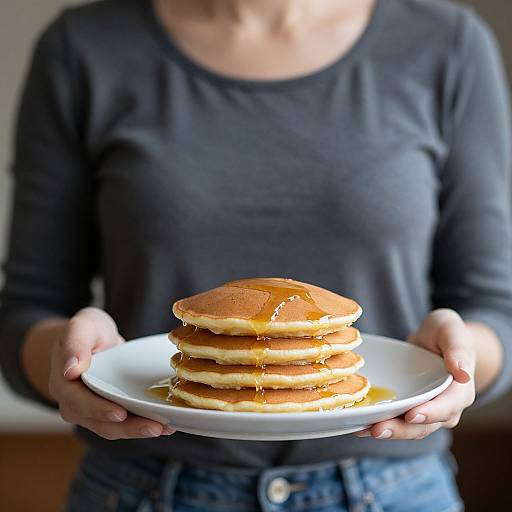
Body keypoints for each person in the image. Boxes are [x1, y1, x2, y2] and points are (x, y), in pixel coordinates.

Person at [1, 0, 511, 510]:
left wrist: (458, 360)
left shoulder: (448, 45)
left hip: (394, 490)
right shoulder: (83, 49)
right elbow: (27, 310)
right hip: (141, 488)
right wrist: (69, 358)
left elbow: (495, 310)